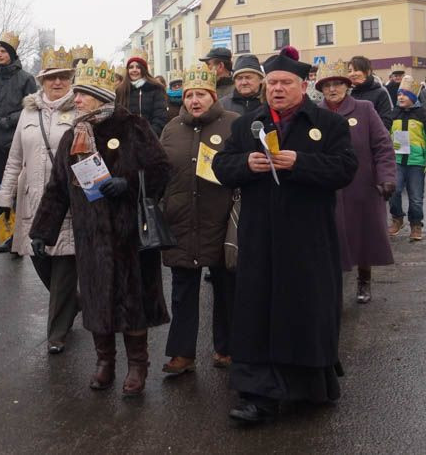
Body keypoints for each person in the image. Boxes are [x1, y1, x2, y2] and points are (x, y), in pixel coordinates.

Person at [211, 45, 357, 424]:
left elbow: (344, 169)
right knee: (259, 312)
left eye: (285, 83)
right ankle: (259, 396)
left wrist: (300, 162)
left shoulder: (328, 124)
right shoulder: (248, 126)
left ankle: (309, 385)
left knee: (305, 311)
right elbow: (222, 166)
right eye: (271, 82)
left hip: (309, 238)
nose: (277, 88)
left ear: (302, 85)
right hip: (260, 238)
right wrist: (246, 163)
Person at [30, 60, 172, 397]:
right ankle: (104, 362)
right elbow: (57, 188)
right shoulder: (72, 136)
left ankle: (138, 365)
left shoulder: (134, 127)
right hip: (91, 237)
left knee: (133, 302)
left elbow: (161, 170)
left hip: (130, 235)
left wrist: (130, 184)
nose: (76, 100)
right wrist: (42, 231)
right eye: (76, 94)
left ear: (100, 97)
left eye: (82, 94)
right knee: (96, 301)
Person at [0, 47, 80, 353]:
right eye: (51, 78)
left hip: (68, 201)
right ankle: (73, 303)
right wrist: (4, 197)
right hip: (33, 198)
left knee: (64, 268)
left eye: (63, 77)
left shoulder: (80, 110)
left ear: (71, 80)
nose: (57, 83)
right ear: (42, 81)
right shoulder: (28, 113)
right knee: (41, 261)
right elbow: (15, 158)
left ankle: (57, 333)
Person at [159, 63, 237, 375]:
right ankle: (182, 353)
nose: (194, 101)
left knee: (226, 287)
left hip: (219, 217)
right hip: (180, 219)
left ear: (213, 96)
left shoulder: (233, 124)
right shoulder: (171, 128)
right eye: (190, 95)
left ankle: (226, 347)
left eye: (201, 95)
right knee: (182, 290)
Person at [315, 60, 396, 304]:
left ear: (347, 85)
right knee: (331, 238)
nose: (333, 89)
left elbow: (382, 146)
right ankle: (333, 286)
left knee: (363, 235)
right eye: (327, 85)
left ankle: (364, 280)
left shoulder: (365, 109)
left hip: (362, 185)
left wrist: (386, 177)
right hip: (327, 187)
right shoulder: (314, 114)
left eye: (338, 83)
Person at [0, 32, 38, 190]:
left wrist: (9, 120)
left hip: (18, 138)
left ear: (11, 54)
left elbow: (32, 107)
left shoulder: (26, 79)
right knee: (0, 183)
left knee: (19, 183)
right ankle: (3, 213)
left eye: (3, 51)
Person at [388, 75, 426, 242]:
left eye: (405, 95)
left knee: (416, 196)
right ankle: (397, 218)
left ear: (413, 97)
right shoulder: (393, 114)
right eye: (399, 95)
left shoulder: (422, 115)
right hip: (396, 160)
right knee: (393, 191)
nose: (401, 97)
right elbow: (384, 136)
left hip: (416, 163)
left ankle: (416, 224)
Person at [116, 52, 167, 135]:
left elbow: (160, 117)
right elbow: (117, 116)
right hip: (126, 138)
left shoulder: (156, 89)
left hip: (150, 138)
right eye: (131, 67)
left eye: (138, 67)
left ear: (144, 69)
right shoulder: (121, 90)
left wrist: (148, 135)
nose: (134, 70)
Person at [348, 56, 394, 130]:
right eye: (350, 71)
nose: (352, 74)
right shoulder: (349, 93)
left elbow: (386, 122)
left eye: (356, 70)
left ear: (368, 72)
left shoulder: (380, 92)